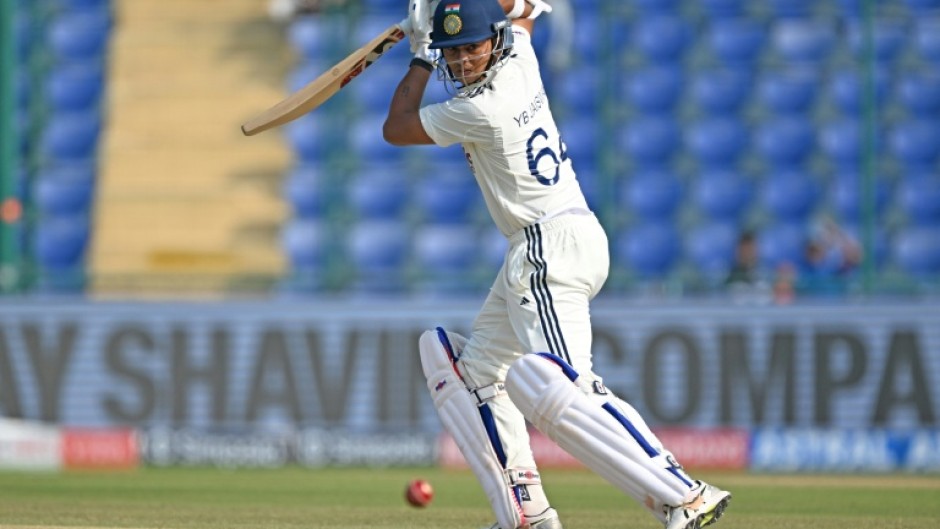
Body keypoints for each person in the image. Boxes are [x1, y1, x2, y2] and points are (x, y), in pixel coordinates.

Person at [383, 1, 732, 528]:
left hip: (547, 250)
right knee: (464, 371)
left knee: (559, 385)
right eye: (452, 53)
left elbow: (396, 127)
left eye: (472, 48)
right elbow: (522, 15)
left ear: (493, 41)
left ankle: (683, 494)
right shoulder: (520, 60)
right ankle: (525, 516)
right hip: (554, 240)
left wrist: (420, 53)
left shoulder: (481, 108)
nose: (463, 61)